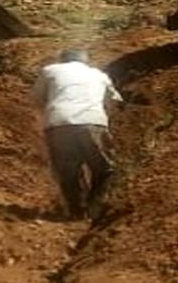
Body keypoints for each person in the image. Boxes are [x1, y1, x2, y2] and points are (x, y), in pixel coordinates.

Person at [31, 49, 123, 219]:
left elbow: (36, 98)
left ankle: (76, 212)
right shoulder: (98, 74)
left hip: (58, 124)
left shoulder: (50, 70)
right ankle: (95, 209)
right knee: (104, 169)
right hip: (92, 121)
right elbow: (115, 100)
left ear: (62, 60)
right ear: (86, 61)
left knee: (68, 171)